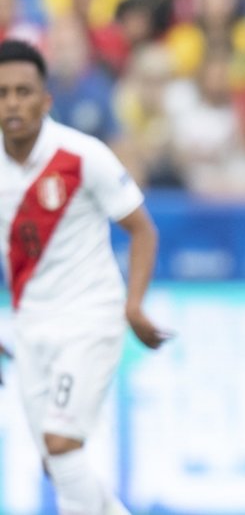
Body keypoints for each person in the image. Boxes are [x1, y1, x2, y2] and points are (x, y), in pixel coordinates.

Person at [0, 39, 171, 514]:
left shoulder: (81, 155)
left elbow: (142, 230)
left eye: (22, 91)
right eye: (2, 93)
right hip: (30, 325)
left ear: (45, 99)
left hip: (89, 317)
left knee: (61, 443)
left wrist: (133, 305)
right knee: (55, 464)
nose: (12, 103)